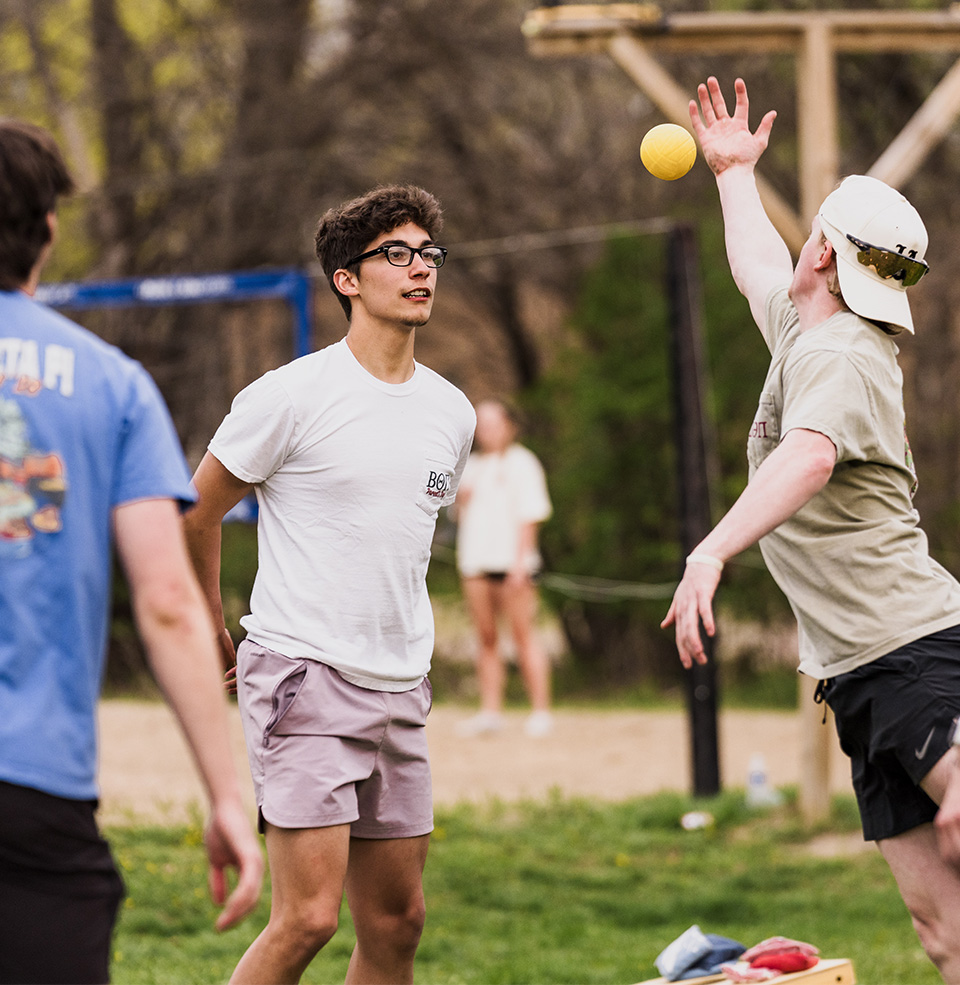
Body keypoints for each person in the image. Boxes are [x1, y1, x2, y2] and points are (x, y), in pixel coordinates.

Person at [661, 76, 960, 980]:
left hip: (911, 649)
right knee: (944, 930)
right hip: (858, 669)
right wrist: (732, 174)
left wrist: (711, 549)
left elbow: (812, 455)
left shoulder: (838, 353)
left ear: (824, 249)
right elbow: (758, 265)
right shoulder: (809, 327)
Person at [184, 184, 476, 984]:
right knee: (308, 917)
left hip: (401, 685)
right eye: (396, 255)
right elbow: (196, 512)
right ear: (348, 278)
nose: (420, 270)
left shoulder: (452, 412)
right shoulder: (290, 395)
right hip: (304, 675)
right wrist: (209, 623)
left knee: (397, 923)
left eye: (428, 254)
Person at [0, 119, 263, 985]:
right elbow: (166, 603)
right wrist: (226, 792)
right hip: (33, 788)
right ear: (47, 231)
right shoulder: (111, 383)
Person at [454, 398, 554, 737]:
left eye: (493, 424)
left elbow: (531, 517)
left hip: (513, 567)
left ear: (509, 425)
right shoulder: (472, 467)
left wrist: (520, 565)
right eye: (482, 425)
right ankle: (490, 711)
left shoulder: (524, 463)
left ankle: (541, 711)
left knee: (524, 636)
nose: (487, 432)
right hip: (475, 564)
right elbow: (463, 518)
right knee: (486, 638)